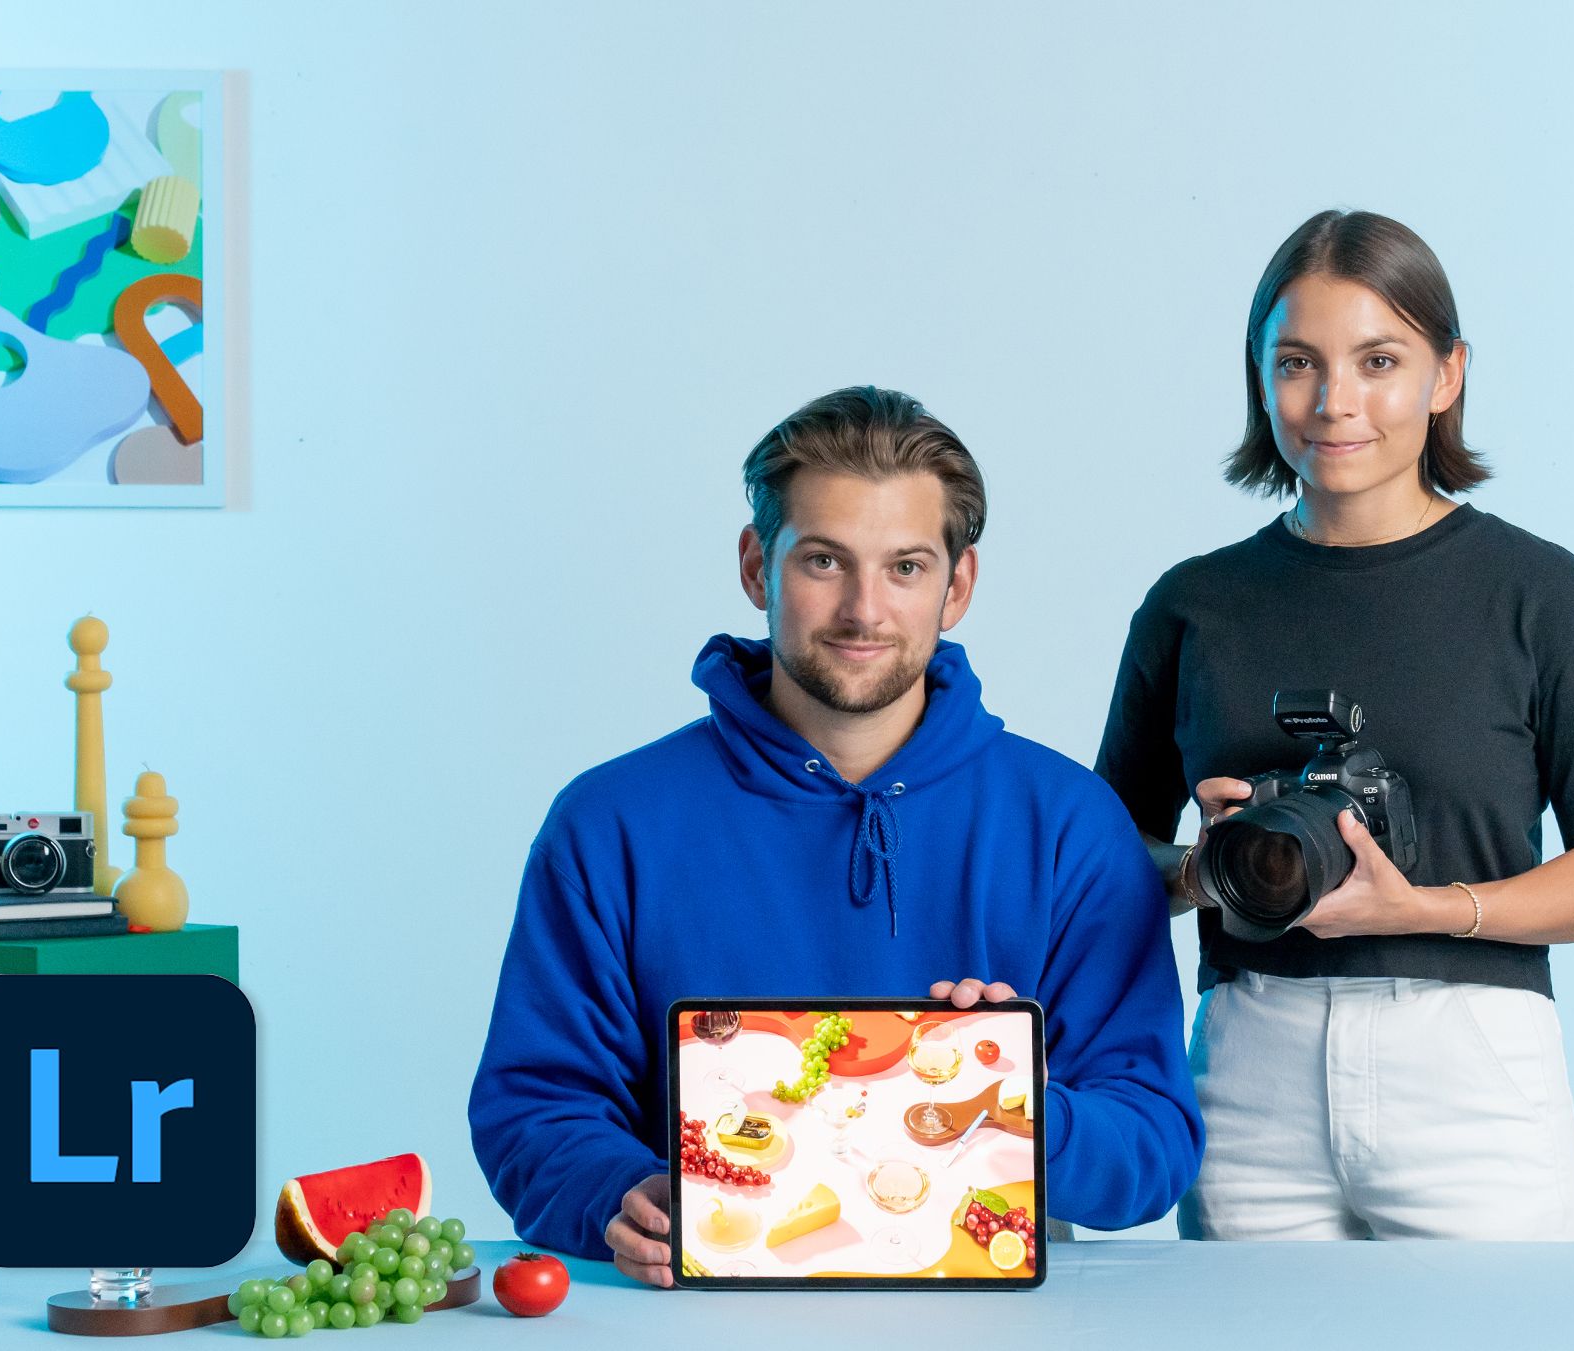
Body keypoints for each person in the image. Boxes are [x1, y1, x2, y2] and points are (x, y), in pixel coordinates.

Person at [472, 386, 1202, 1286]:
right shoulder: (608, 822)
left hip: (990, 1324)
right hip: (690, 1315)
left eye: (905, 566)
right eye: (824, 561)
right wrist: (623, 1191)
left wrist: (1019, 1106)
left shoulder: (1070, 825)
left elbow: (1155, 1143)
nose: (864, 609)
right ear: (756, 566)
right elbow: (535, 1105)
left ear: (957, 584)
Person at [1095, 211, 1574, 1242]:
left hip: (1472, 1059)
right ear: (1260, 377)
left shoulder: (1541, 595)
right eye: (1298, 362)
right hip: (1248, 1055)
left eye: (1379, 360)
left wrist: (1422, 907)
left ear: (1447, 375)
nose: (1334, 402)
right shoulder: (1193, 604)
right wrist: (1195, 867)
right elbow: (1097, 865)